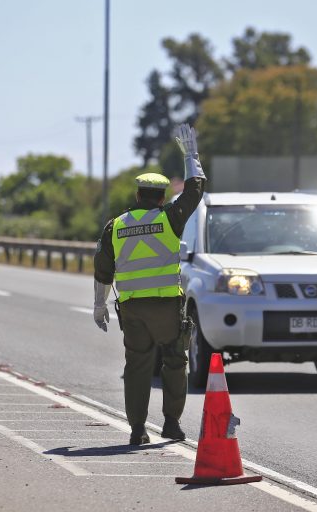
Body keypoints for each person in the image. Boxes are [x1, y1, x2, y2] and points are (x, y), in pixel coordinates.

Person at [92, 124, 206, 445]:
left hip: (133, 310)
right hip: (166, 307)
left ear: (138, 195)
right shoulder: (170, 218)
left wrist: (99, 305)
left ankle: (138, 430)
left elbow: (103, 268)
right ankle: (171, 424)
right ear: (162, 197)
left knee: (138, 368)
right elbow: (195, 191)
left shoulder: (115, 226)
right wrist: (191, 156)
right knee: (174, 362)